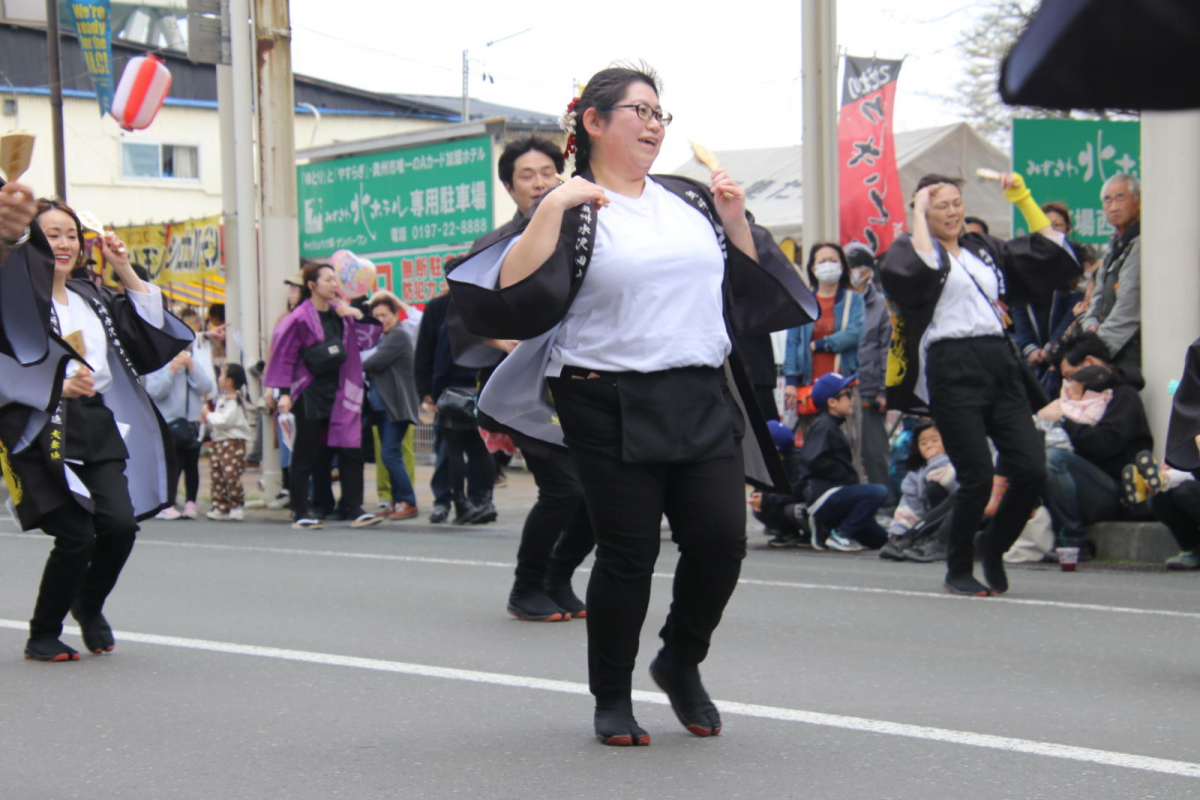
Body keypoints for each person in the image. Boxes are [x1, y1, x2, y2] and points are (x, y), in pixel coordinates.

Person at [447, 64, 815, 746]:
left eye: (659, 113)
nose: (653, 124)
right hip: (602, 395)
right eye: (638, 111)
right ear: (593, 122)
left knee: (721, 544)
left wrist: (734, 221)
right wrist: (552, 206)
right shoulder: (571, 207)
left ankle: (680, 658)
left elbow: (736, 289)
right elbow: (510, 293)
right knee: (629, 555)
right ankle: (611, 696)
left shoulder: (688, 199)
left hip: (699, 392)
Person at [881, 172, 1079, 596]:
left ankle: (994, 542)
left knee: (1031, 468)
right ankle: (957, 567)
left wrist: (1022, 197)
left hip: (999, 364)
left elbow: (1050, 253)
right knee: (977, 476)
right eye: (940, 206)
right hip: (951, 367)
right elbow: (917, 268)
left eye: (956, 203)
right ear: (922, 212)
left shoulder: (983, 248)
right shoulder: (911, 250)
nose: (952, 212)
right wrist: (916, 209)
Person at [10, 198, 192, 661]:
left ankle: (88, 603)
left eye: (71, 234)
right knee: (76, 535)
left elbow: (147, 330)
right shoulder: (13, 298)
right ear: (29, 239)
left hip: (94, 422)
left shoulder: (92, 295)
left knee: (120, 526)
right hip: (37, 422)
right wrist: (53, 384)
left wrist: (123, 268)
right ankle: (42, 633)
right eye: (53, 234)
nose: (65, 243)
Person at [469, 135, 595, 621]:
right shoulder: (497, 244)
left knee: (600, 490)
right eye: (527, 175)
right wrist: (513, 343)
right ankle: (526, 588)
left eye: (548, 171)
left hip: (583, 380)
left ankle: (557, 578)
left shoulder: (583, 230)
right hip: (527, 390)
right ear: (508, 186)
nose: (540, 182)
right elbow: (472, 314)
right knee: (563, 488)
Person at [263, 261, 381, 530]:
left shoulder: (343, 313)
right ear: (312, 286)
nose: (334, 284)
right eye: (328, 279)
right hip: (309, 391)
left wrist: (359, 315)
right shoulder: (298, 318)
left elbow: (370, 337)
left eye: (335, 279)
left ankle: (355, 508)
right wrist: (282, 392)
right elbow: (284, 356)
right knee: (307, 452)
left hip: (342, 389)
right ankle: (301, 510)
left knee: (351, 449)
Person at [1037, 331, 1152, 557]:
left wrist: (1063, 420)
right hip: (1082, 482)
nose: (1068, 384)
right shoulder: (1076, 398)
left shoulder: (1123, 396)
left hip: (1114, 490)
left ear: (1089, 362)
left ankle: (1073, 540)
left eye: (1071, 375)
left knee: (1055, 459)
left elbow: (1104, 444)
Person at [414, 286, 496, 525]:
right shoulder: (443, 307)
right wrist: (426, 391)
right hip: (479, 390)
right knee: (477, 448)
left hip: (454, 391)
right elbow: (426, 351)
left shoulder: (461, 311)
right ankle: (461, 502)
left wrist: (435, 392)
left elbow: (440, 356)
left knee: (453, 449)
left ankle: (466, 501)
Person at [795, 372, 889, 551]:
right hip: (824, 494)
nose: (852, 399)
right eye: (847, 394)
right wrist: (845, 476)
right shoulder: (824, 425)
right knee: (878, 491)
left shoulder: (832, 425)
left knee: (880, 540)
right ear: (832, 402)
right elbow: (813, 459)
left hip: (836, 494)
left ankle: (828, 529)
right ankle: (841, 535)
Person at [783, 243, 864, 419]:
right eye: (822, 261)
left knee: (847, 442)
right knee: (813, 442)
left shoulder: (854, 300)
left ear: (842, 266)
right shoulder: (802, 302)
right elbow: (792, 342)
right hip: (809, 389)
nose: (828, 264)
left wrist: (822, 344)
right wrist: (790, 381)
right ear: (813, 268)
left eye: (833, 260)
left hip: (843, 388)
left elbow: (854, 334)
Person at [363, 291, 420, 520]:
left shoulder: (399, 335)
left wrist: (371, 366)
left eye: (385, 315)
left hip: (396, 407)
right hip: (382, 407)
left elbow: (372, 362)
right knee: (388, 454)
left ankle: (408, 501)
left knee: (390, 453)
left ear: (395, 315)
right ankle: (395, 502)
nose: (381, 320)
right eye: (376, 316)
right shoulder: (383, 338)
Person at [846, 242, 893, 502]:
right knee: (843, 453)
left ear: (867, 270)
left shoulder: (881, 305)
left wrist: (886, 390)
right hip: (839, 389)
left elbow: (888, 349)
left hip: (869, 388)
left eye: (855, 267)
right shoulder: (837, 301)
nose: (851, 272)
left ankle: (884, 504)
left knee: (874, 453)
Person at [1080, 173, 1141, 370]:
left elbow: (1129, 304)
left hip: (1128, 354)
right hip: (1103, 345)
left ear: (1138, 201)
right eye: (1107, 200)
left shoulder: (1142, 243)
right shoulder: (1113, 246)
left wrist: (1098, 348)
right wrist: (1090, 325)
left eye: (1120, 198)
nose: (1113, 207)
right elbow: (1096, 298)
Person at [146, 343, 214, 520]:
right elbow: (153, 392)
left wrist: (191, 368)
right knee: (172, 463)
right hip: (169, 421)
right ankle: (167, 502)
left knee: (192, 464)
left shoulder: (193, 363)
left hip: (192, 422)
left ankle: (191, 503)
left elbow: (206, 388)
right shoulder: (158, 365)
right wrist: (171, 371)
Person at [879, 421, 957, 562]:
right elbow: (910, 505)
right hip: (930, 520)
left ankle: (935, 541)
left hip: (958, 519)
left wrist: (938, 462)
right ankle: (908, 538)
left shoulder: (957, 463)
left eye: (935, 440)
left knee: (935, 488)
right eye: (923, 443)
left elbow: (956, 486)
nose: (929, 445)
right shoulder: (915, 475)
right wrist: (899, 530)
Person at [202, 363, 252, 520]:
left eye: (222, 375)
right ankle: (221, 505)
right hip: (219, 442)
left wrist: (207, 415)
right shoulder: (223, 399)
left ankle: (236, 505)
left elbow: (224, 421)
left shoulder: (235, 401)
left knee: (230, 475)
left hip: (232, 442)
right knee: (217, 474)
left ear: (230, 381)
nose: (219, 378)